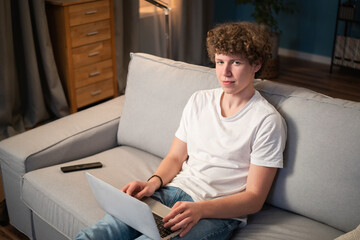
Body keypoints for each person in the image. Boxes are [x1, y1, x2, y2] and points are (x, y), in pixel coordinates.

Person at [76, 21, 287, 240]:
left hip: (215, 212)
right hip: (171, 193)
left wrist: (200, 210)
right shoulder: (199, 100)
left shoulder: (267, 121)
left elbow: (254, 198)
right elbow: (176, 157)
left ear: (256, 64)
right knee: (97, 234)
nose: (225, 72)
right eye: (220, 61)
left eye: (235, 63)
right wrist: (153, 182)